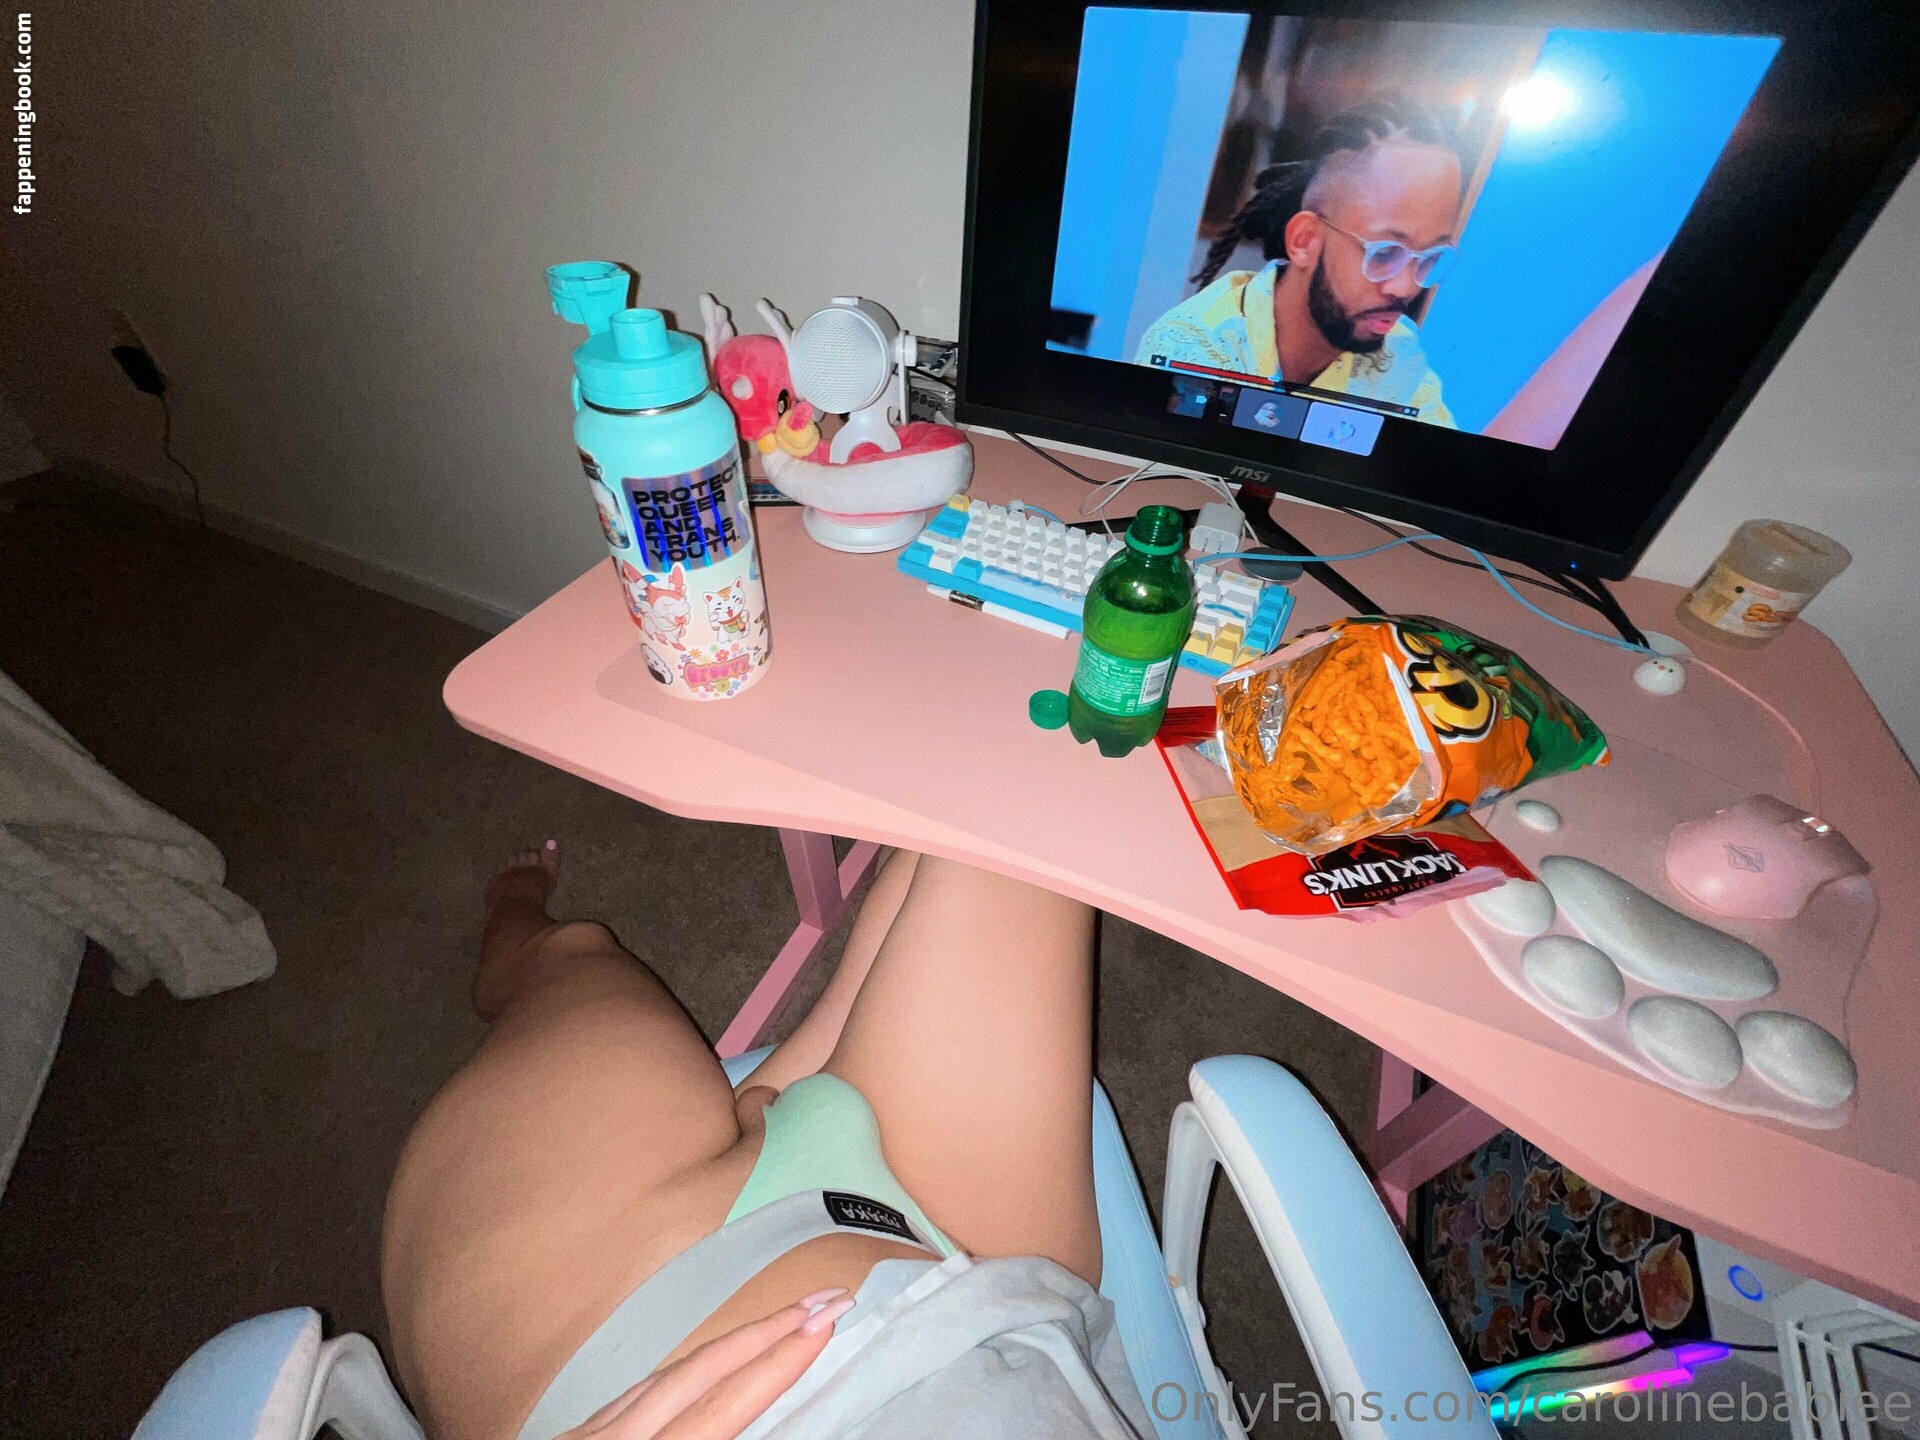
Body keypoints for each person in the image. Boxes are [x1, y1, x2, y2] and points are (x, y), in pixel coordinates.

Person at [381, 842, 1150, 1440]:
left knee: (572, 953)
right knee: (1018, 805)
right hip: (997, 1296)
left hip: (599, 1334)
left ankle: (514, 924)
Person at [1135, 95, 1462, 426]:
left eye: (1430, 258)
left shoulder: (1399, 349)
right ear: (1304, 240)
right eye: (1385, 253)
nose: (1406, 288)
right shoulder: (1194, 351)